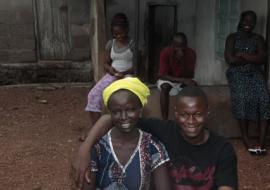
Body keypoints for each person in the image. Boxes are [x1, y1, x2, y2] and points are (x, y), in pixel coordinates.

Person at [72, 86, 238, 190]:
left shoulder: (222, 149)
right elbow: (114, 118)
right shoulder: (164, 130)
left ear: (207, 114)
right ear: (175, 113)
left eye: (198, 115)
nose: (191, 121)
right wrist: (84, 150)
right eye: (184, 115)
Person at [83, 77, 171, 190]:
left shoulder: (153, 147)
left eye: (130, 110)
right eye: (116, 112)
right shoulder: (98, 147)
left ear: (140, 110)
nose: (124, 117)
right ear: (110, 113)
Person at [81, 13, 136, 141]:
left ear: (126, 30)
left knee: (123, 99)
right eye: (116, 34)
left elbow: (137, 66)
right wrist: (111, 70)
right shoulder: (110, 44)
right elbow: (106, 63)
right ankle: (96, 129)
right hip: (113, 74)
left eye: (121, 33)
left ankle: (121, 130)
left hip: (128, 75)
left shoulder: (132, 44)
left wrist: (124, 73)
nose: (119, 36)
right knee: (93, 95)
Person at [224, 10, 269, 155]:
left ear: (255, 23)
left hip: (255, 72)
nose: (248, 24)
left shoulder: (258, 39)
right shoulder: (232, 37)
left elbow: (263, 59)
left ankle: (261, 142)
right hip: (237, 73)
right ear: (241, 20)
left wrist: (242, 54)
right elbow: (230, 60)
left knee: (264, 99)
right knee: (242, 98)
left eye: (252, 21)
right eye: (246, 20)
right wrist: (253, 57)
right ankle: (246, 138)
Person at [157, 32, 197, 120]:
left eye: (183, 47)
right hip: (168, 79)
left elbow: (190, 75)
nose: (181, 49)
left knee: (193, 86)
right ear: (173, 45)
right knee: (165, 87)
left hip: (183, 79)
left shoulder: (191, 53)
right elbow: (162, 75)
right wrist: (182, 80)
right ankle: (165, 120)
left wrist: (182, 61)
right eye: (178, 47)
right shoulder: (165, 52)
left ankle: (188, 117)